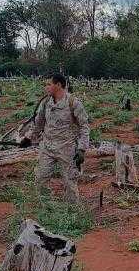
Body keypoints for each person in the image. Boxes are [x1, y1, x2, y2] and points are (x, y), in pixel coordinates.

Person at [20, 73, 89, 203]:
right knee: (40, 178)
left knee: (70, 182)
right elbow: (38, 123)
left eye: (49, 84)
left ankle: (72, 211)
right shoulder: (46, 102)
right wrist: (28, 138)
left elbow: (84, 127)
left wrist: (82, 149)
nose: (46, 87)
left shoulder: (73, 102)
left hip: (67, 148)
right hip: (47, 147)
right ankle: (45, 207)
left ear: (58, 85)